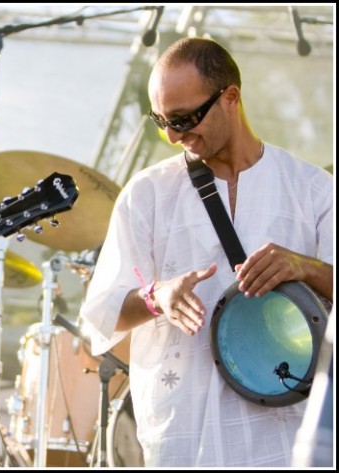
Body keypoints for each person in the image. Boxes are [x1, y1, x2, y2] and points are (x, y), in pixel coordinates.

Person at [79, 37, 333, 467]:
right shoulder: (146, 195)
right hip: (181, 434)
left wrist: (304, 267)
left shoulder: (312, 189)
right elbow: (101, 314)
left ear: (230, 97)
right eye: (161, 121)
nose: (174, 135)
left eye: (184, 118)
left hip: (285, 436)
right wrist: (156, 297)